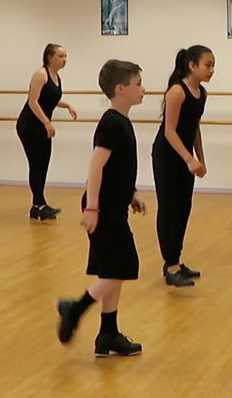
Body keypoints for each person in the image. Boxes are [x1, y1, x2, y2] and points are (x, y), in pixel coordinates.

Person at [56, 59, 146, 357]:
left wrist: (131, 193)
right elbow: (96, 166)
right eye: (138, 84)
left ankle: (108, 334)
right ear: (120, 89)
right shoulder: (112, 123)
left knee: (113, 270)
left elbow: (116, 168)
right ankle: (74, 309)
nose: (143, 89)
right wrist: (92, 208)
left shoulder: (121, 121)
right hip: (103, 208)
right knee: (123, 267)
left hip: (113, 205)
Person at [151, 45, 211, 288]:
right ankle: (171, 264)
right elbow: (170, 131)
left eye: (213, 66)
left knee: (184, 207)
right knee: (168, 208)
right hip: (167, 156)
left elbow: (194, 128)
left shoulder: (202, 93)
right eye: (208, 65)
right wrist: (189, 159)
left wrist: (200, 158)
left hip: (185, 157)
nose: (211, 70)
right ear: (192, 66)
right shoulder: (177, 91)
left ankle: (175, 259)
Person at [16, 44, 78, 221]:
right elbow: (33, 101)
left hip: (41, 126)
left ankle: (37, 207)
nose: (64, 60)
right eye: (61, 56)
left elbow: (50, 98)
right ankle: (40, 204)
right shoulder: (40, 74)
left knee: (43, 165)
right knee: (36, 164)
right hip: (29, 126)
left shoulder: (56, 77)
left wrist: (67, 105)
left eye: (65, 56)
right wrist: (47, 122)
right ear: (50, 57)